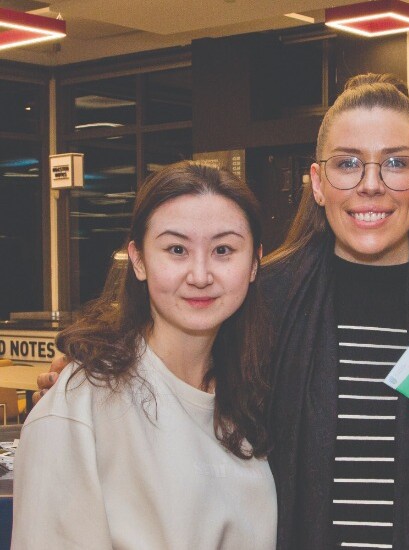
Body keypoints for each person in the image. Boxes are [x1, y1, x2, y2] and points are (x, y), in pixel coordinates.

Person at [36, 74, 409, 549]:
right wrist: (92, 368)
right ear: (318, 183)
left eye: (396, 163)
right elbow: (171, 359)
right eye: (347, 164)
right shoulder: (262, 297)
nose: (370, 185)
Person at [14, 162, 277, 549]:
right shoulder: (80, 407)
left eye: (223, 250)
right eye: (176, 249)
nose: (200, 274)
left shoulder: (250, 394)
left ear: (254, 263)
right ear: (138, 260)